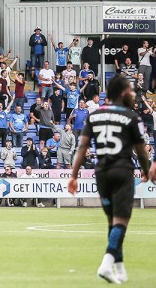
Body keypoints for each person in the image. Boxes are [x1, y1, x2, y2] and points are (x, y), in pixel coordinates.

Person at [68, 74, 151, 284]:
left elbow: (82, 147)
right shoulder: (131, 116)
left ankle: (120, 269)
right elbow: (141, 149)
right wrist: (146, 170)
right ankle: (106, 265)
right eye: (131, 90)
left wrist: (74, 175)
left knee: (113, 222)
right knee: (121, 221)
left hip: (102, 173)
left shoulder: (94, 115)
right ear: (123, 93)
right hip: (122, 171)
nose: (134, 94)